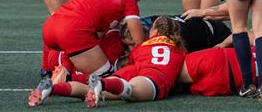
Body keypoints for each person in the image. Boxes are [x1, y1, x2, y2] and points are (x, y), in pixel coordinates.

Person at [28, 16, 186, 108]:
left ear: (156, 32)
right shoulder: (179, 50)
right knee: (132, 91)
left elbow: (132, 62)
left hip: (137, 68)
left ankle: (54, 87)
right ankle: (101, 84)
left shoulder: (142, 46)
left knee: (92, 88)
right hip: (154, 76)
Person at [40, 0, 147, 79]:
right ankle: (67, 78)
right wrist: (144, 59)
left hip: (51, 26)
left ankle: (47, 71)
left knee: (77, 49)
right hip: (72, 31)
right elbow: (138, 40)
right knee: (107, 80)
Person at [178, 39, 262, 97]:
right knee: (180, 88)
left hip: (221, 58)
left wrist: (221, 44)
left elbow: (242, 37)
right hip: (225, 84)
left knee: (173, 71)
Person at [121, 14, 231, 53]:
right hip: (202, 24)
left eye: (132, 44)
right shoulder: (153, 23)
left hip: (216, 35)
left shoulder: (172, 39)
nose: (131, 49)